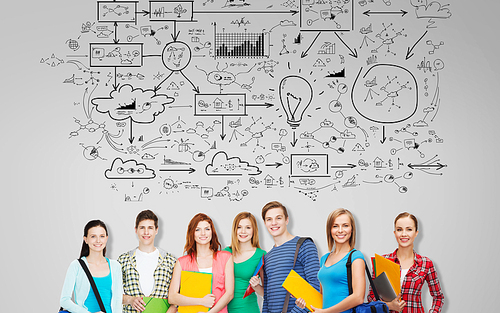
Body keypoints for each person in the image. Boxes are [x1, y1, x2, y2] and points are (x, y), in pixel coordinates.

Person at [367, 212, 444, 313]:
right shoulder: (382, 261)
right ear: (395, 233)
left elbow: (438, 297)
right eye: (399, 229)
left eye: (409, 229)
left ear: (416, 233)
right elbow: (371, 297)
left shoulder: (426, 264)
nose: (404, 234)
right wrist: (389, 306)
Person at [296, 208, 365, 313]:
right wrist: (303, 298)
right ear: (330, 230)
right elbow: (322, 297)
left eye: (345, 225)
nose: (340, 230)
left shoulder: (356, 257)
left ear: (352, 229)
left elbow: (358, 297)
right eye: (335, 226)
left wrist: (326, 312)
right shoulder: (324, 258)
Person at [261, 201, 320, 313]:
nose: (274, 223)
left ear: (286, 220)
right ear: (265, 223)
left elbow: (315, 285)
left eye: (278, 218)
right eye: (269, 219)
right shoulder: (267, 257)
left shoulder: (304, 245)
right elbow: (267, 297)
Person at [168, 213, 234, 313]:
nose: (203, 233)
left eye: (207, 229)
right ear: (192, 233)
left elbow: (229, 294)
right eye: (198, 229)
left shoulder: (226, 257)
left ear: (212, 232)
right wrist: (201, 301)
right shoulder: (182, 262)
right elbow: (172, 297)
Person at [118, 210, 177, 313]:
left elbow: (177, 297)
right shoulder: (123, 260)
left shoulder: (170, 261)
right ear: (136, 230)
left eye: (150, 228)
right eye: (142, 228)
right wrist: (130, 299)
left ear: (156, 230)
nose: (146, 232)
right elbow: (113, 293)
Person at [60, 220, 123, 313]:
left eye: (102, 236)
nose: (98, 240)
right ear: (85, 239)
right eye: (93, 236)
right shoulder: (76, 266)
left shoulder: (115, 266)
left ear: (106, 238)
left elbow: (118, 301)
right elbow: (64, 300)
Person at [223, 212, 266, 313]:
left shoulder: (261, 255)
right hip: (224, 309)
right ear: (235, 230)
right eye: (239, 227)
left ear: (254, 230)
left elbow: (265, 293)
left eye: (248, 227)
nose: (243, 231)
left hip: (248, 309)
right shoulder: (225, 253)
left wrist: (256, 286)